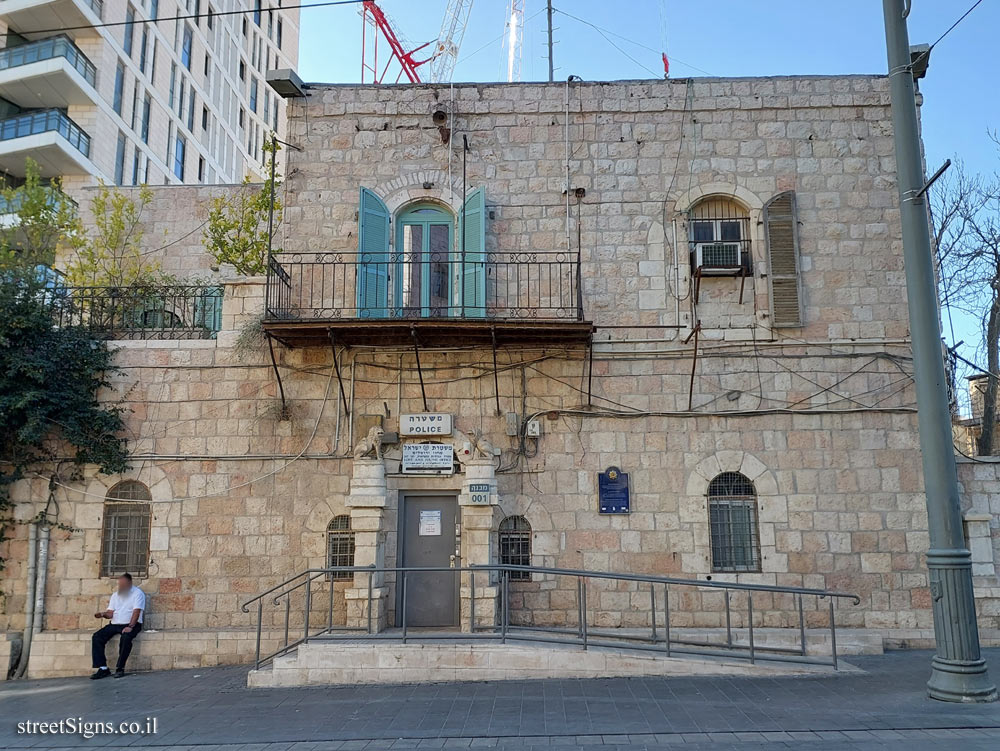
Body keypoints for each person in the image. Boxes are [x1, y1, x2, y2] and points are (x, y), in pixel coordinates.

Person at [90, 573, 146, 679]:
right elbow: (110, 613)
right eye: (119, 584)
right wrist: (103, 614)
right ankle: (103, 668)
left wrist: (130, 626)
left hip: (132, 624)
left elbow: (136, 612)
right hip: (115, 623)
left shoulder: (138, 594)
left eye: (123, 583)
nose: (120, 586)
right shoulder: (116, 595)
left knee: (125, 638)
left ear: (129, 583)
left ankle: (120, 668)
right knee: (97, 637)